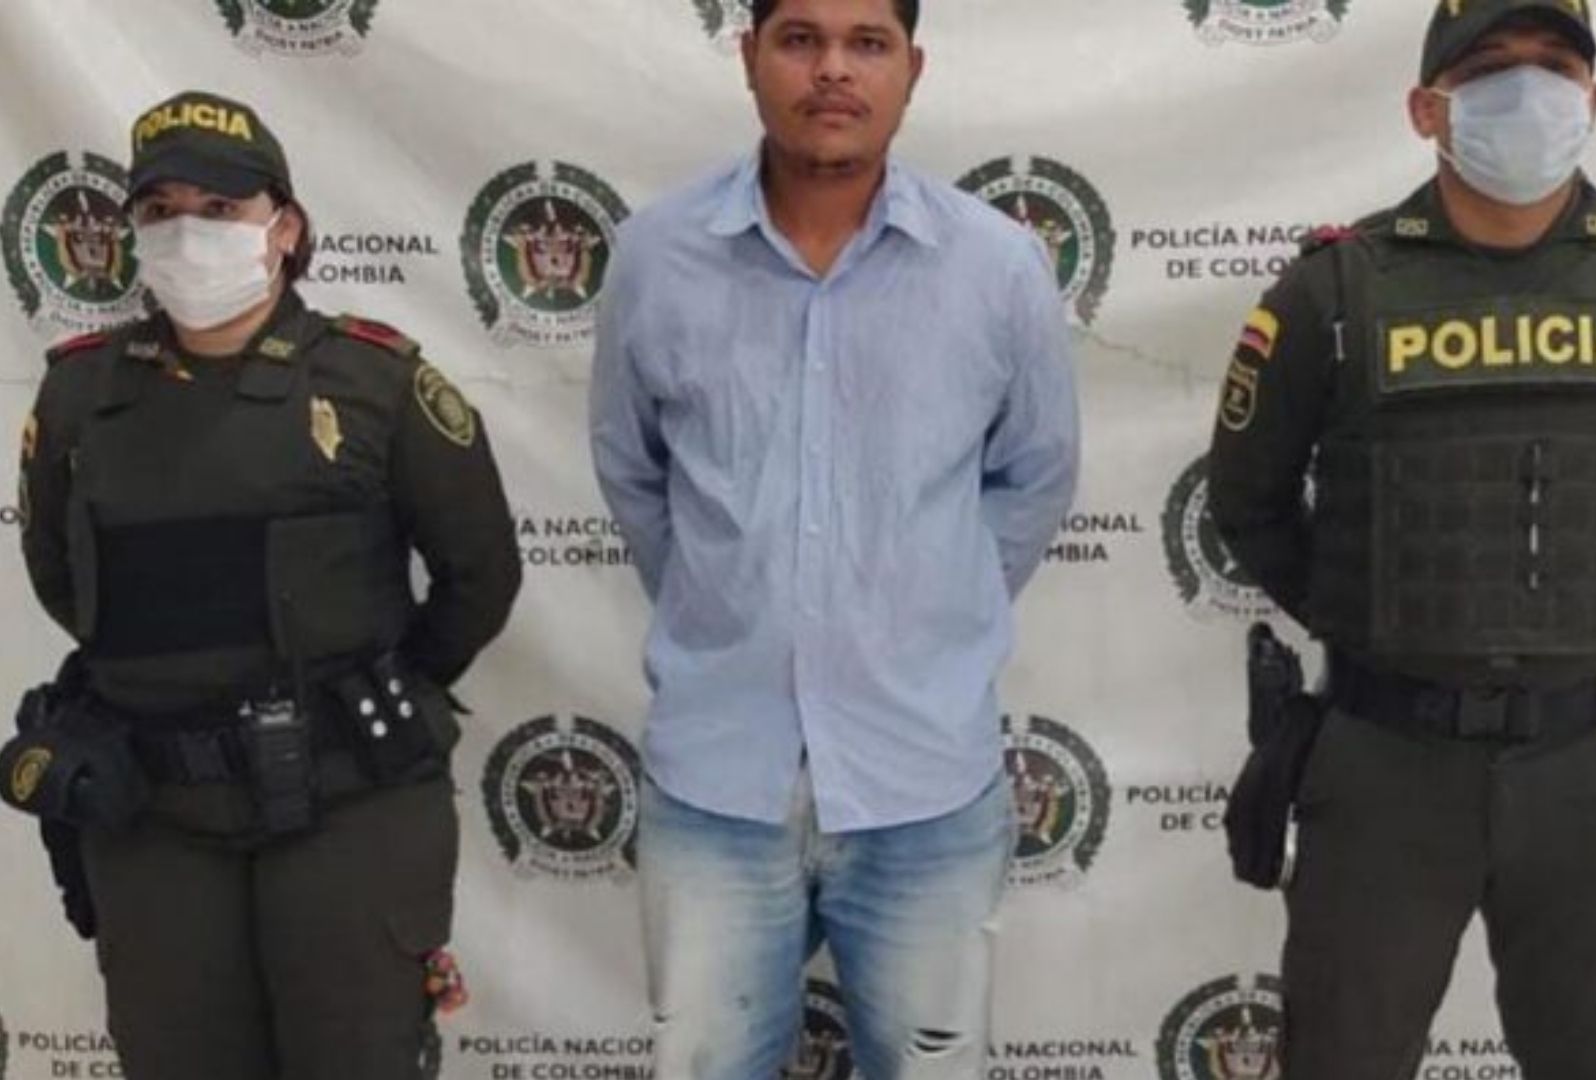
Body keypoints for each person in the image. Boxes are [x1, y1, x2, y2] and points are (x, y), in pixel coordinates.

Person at [1206, 2, 1596, 1078]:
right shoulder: (1334, 289)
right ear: (1427, 109)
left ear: (1593, 99)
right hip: (1386, 761)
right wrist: (1383, 608)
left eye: (1555, 66)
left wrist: (1592, 603)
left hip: (1590, 765)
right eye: (1490, 68)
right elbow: (1249, 500)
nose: (1527, 89)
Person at [589, 0, 1079, 1075]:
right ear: (750, 56)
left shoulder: (996, 267)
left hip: (925, 785)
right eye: (800, 39)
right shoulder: (657, 257)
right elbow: (633, 471)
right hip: (717, 779)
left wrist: (926, 610)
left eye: (868, 43)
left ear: (913, 67)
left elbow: (1034, 478)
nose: (833, 71)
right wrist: (730, 605)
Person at [3, 89, 520, 1080]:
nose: (187, 232)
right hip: (153, 808)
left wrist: (374, 692)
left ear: (283, 228)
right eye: (159, 210)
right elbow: (62, 578)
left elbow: (480, 573)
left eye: (220, 208)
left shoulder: (375, 383)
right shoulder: (77, 394)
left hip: (348, 799)